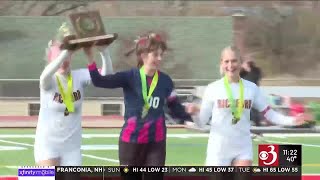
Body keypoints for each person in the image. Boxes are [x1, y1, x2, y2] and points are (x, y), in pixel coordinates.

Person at [86, 33, 193, 180]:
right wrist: (90, 58)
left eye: (161, 55)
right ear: (143, 55)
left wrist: (190, 114)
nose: (160, 59)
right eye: (155, 55)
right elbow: (99, 81)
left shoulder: (166, 81)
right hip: (131, 143)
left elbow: (175, 107)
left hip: (156, 143)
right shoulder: (130, 77)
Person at [193, 45, 312, 167]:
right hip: (218, 150)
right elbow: (201, 122)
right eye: (226, 61)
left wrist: (293, 120)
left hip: (242, 149)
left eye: (234, 61)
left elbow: (270, 114)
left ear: (240, 62)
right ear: (221, 63)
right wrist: (194, 113)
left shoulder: (251, 88)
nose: (230, 65)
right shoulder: (213, 88)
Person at [34, 23, 114, 166]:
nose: (64, 61)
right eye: (59, 57)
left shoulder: (79, 76)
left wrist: (104, 52)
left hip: (71, 148)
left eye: (68, 57)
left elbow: (105, 76)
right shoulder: (49, 80)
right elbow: (43, 77)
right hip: (47, 145)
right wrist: (65, 51)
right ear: (52, 58)